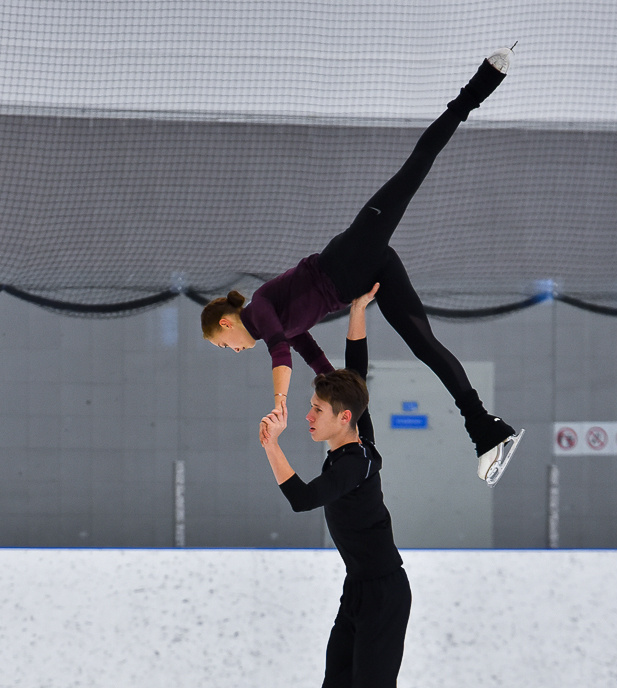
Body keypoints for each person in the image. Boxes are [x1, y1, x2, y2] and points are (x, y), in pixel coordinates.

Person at [203, 47, 523, 485]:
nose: (234, 351)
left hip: (348, 257)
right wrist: (345, 401)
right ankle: (486, 430)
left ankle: (477, 88)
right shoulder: (281, 325)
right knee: (425, 345)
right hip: (364, 277)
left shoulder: (259, 307)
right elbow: (319, 363)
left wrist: (280, 400)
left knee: (413, 171)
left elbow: (279, 350)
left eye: (225, 345)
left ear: (226, 322)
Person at [259, 288, 426, 688]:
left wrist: (271, 446)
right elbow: (355, 374)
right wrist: (356, 316)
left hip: (384, 594)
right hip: (359, 592)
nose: (308, 417)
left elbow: (302, 500)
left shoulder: (354, 462)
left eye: (316, 412)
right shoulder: (356, 438)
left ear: (343, 420)